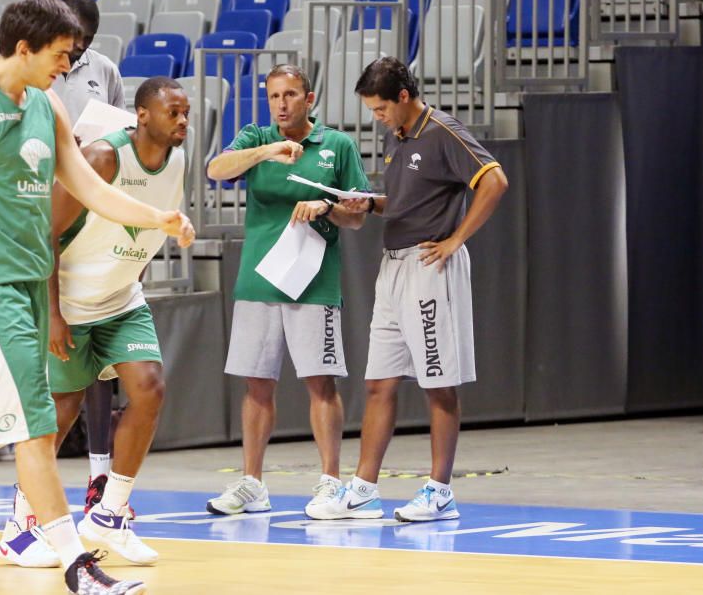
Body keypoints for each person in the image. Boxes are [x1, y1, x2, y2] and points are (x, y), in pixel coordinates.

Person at [0, 0, 194, 595]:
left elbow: (85, 183)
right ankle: (79, 565)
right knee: (32, 423)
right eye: (58, 55)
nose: (68, 66)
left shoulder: (45, 103)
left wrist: (156, 218)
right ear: (23, 49)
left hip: (26, 282)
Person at [0, 76, 189, 569]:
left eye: (187, 112)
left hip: (122, 300)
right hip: (70, 303)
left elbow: (149, 224)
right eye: (174, 112)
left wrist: (132, 275)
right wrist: (55, 314)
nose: (183, 121)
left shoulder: (179, 158)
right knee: (59, 415)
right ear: (142, 116)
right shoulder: (105, 157)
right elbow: (47, 234)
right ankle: (20, 526)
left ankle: (109, 513)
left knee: (149, 386)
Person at [309, 56, 508, 522]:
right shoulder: (397, 138)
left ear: (403, 96)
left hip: (429, 266)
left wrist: (456, 238)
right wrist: (371, 203)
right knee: (378, 383)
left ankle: (440, 491)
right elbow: (404, 202)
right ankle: (363, 489)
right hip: (392, 269)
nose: (376, 117)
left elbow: (494, 180)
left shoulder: (442, 130)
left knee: (439, 384)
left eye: (380, 108)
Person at [205, 64, 371, 518]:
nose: (281, 104)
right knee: (257, 383)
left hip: (313, 281)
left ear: (309, 98)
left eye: (291, 95)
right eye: (274, 96)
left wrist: (328, 205)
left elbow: (358, 214)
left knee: (320, 383)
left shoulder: (336, 145)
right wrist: (267, 151)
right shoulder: (256, 136)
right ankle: (252, 484)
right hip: (259, 278)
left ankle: (330, 483)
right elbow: (216, 170)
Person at [53, 0, 127, 515]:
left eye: (87, 43)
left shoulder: (105, 69)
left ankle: (100, 469)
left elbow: (121, 132)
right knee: (58, 354)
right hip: (44, 206)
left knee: (99, 350)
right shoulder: (34, 69)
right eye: (74, 42)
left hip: (92, 206)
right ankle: (30, 484)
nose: (77, 53)